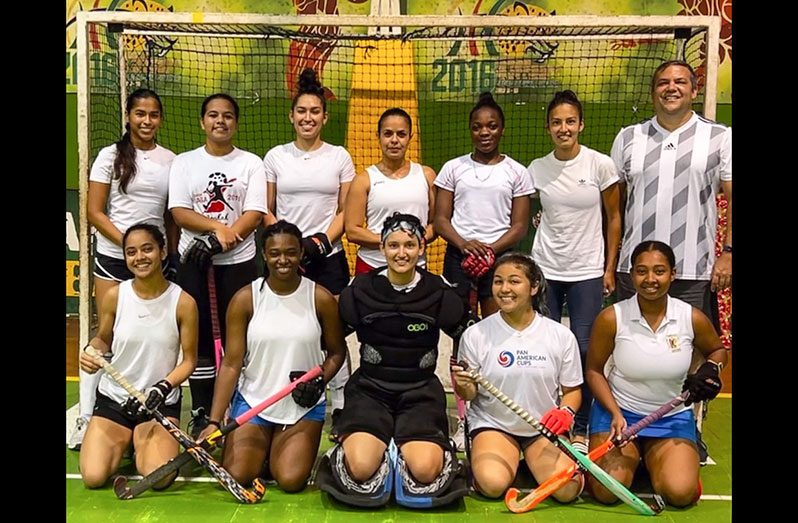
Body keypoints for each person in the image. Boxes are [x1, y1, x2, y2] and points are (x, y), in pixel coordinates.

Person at [611, 60, 732, 463]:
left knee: (693, 356)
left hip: (694, 266)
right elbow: (614, 206)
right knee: (629, 348)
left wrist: (728, 253)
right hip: (635, 266)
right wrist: (611, 263)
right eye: (663, 82)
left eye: (680, 81)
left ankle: (690, 429)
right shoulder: (628, 138)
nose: (671, 88)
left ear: (694, 90)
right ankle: (623, 424)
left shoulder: (719, 137)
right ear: (653, 92)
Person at [316, 213, 474, 508]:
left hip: (420, 393)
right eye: (393, 245)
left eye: (410, 245)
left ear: (422, 249)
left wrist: (468, 373)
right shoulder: (359, 291)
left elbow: (469, 338)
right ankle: (369, 448)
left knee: (425, 472)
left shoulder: (439, 292)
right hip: (370, 390)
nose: (402, 253)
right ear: (382, 247)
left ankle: (404, 449)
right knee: (361, 469)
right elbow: (330, 342)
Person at [197, 220, 346, 492]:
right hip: (254, 401)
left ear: (301, 253)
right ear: (264, 255)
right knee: (238, 475)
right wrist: (214, 422)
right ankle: (264, 447)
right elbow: (231, 364)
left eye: (290, 252)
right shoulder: (245, 299)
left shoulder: (320, 298)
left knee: (290, 479)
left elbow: (337, 353)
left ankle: (276, 450)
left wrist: (319, 381)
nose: (283, 260)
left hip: (301, 406)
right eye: (275, 253)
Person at [70, 88, 179, 451]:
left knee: (154, 337)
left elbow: (170, 214)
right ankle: (89, 416)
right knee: (108, 334)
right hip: (116, 258)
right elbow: (95, 211)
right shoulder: (109, 156)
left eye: (153, 115)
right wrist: (131, 246)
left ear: (160, 119)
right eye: (140, 114)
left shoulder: (170, 160)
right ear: (128, 117)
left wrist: (164, 253)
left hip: (156, 261)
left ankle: (145, 414)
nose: (146, 121)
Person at [586, 240, 726, 507]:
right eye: (641, 271)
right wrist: (615, 413)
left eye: (659, 271)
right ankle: (635, 457)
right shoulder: (612, 317)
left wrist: (711, 369)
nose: (650, 279)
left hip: (670, 416)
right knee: (607, 493)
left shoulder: (690, 317)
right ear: (632, 274)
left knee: (680, 494)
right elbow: (594, 371)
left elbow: (718, 351)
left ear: (673, 274)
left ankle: (653, 456)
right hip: (620, 415)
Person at [527, 90, 622, 452]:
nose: (563, 128)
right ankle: (552, 421)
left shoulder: (600, 165)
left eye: (570, 121)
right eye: (556, 122)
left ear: (581, 124)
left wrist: (609, 268)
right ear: (548, 128)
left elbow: (614, 219)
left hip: (587, 270)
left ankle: (580, 426)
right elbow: (527, 212)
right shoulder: (537, 168)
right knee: (547, 348)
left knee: (584, 348)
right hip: (546, 269)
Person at [168, 93, 267, 438]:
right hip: (194, 261)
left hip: (237, 264)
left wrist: (225, 238)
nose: (220, 121)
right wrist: (214, 230)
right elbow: (179, 211)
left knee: (238, 339)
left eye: (227, 116)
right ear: (202, 122)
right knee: (199, 341)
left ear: (236, 123)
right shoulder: (184, 162)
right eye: (213, 115)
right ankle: (201, 410)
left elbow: (254, 213)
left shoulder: (251, 163)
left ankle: (234, 408)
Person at [452, 253, 584, 502]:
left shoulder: (559, 335)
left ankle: (531, 464)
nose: (504, 289)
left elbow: (572, 390)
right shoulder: (477, 334)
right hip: (494, 425)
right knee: (492, 485)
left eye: (514, 281)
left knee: (567, 491)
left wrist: (565, 412)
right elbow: (469, 395)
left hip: (541, 430)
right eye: (498, 282)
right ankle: (502, 462)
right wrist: (464, 387)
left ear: (534, 287)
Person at [263, 68, 355, 424]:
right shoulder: (275, 157)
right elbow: (267, 210)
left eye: (315, 111)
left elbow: (346, 210)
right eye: (301, 111)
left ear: (325, 117)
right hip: (286, 260)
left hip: (328, 258)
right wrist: (292, 247)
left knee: (333, 332)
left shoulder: (339, 157)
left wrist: (321, 242)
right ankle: (278, 395)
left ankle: (341, 406)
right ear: (291, 115)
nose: (308, 118)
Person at [77, 223, 198, 489]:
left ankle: (139, 443)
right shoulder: (114, 296)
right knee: (94, 477)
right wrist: (92, 350)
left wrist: (163, 386)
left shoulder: (184, 302)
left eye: (147, 249)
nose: (139, 257)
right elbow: (103, 338)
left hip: (157, 402)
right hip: (115, 400)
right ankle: (125, 439)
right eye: (131, 252)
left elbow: (189, 360)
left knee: (159, 476)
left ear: (162, 252)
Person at [434, 91, 533, 318]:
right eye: (477, 127)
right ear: (471, 130)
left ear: (502, 129)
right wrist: (463, 245)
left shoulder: (518, 172)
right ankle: (459, 356)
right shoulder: (453, 167)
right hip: (458, 258)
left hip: (499, 259)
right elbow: (440, 220)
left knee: (496, 323)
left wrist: (490, 251)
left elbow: (519, 226)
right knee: (459, 325)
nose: (485, 132)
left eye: (492, 126)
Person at [344, 107, 437, 274]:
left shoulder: (427, 175)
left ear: (410, 137)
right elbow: (352, 231)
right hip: (372, 266)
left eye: (401, 134)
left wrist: (412, 243)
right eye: (388, 134)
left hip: (416, 268)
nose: (394, 140)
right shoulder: (363, 180)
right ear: (378, 137)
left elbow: (435, 224)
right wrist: (393, 242)